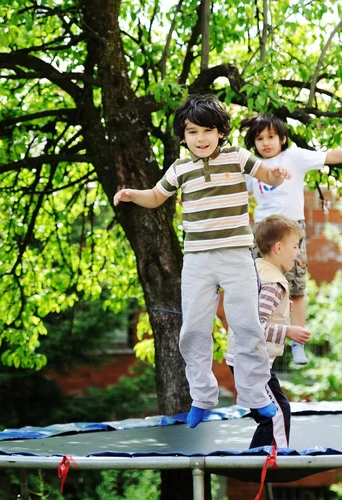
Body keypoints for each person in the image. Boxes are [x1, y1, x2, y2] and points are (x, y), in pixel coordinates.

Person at [113, 94, 291, 428]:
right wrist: (133, 194)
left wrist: (278, 173)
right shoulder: (180, 168)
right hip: (197, 260)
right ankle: (203, 398)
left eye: (207, 130)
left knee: (248, 326)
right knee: (193, 330)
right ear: (183, 137)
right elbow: (155, 196)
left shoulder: (237, 156)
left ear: (221, 132)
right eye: (193, 132)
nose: (201, 138)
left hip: (236, 256)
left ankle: (255, 395)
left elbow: (267, 175)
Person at [240, 113, 342, 365]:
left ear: (283, 138)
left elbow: (331, 155)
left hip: (290, 231)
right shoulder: (253, 167)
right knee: (259, 289)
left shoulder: (294, 157)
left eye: (271, 137)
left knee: (296, 289)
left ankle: (298, 343)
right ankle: (261, 341)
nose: (265, 143)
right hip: (263, 233)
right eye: (260, 139)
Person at [226, 214, 311, 448]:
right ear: (279, 247)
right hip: (252, 360)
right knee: (277, 412)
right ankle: (275, 460)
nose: (297, 252)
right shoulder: (273, 282)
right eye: (295, 246)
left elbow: (253, 309)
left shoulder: (256, 270)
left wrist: (283, 308)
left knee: (269, 415)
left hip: (243, 357)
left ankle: (257, 460)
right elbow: (256, 326)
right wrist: (288, 331)